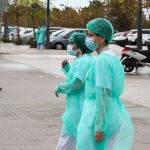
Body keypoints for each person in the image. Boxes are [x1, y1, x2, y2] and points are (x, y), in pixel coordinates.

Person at [77, 18, 134, 150]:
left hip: (97, 117)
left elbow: (103, 94)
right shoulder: (113, 58)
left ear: (102, 38)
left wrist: (99, 126)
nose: (88, 38)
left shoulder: (101, 61)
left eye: (91, 35)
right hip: (113, 113)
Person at [55, 32, 93, 150]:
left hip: (78, 108)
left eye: (72, 43)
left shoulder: (83, 61)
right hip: (79, 106)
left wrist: (61, 87)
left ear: (79, 46)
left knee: (66, 141)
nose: (69, 46)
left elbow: (77, 84)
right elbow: (77, 77)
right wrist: (68, 68)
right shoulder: (82, 59)